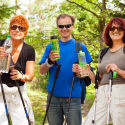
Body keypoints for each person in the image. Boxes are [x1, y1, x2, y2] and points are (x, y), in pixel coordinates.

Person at [39, 13, 93, 125]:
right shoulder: (51, 47)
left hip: (73, 97)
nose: (64, 29)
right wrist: (49, 61)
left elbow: (86, 74)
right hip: (52, 97)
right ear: (57, 27)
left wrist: (80, 72)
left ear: (73, 26)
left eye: (67, 25)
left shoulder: (80, 47)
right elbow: (41, 71)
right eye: (61, 26)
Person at [83, 17, 125, 125]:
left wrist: (119, 71)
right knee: (90, 122)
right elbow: (98, 81)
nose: (116, 30)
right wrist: (88, 71)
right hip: (102, 93)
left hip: (120, 92)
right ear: (108, 32)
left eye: (120, 28)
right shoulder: (104, 52)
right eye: (112, 28)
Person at [0, 15, 35, 125]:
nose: (17, 30)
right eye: (14, 27)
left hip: (18, 93)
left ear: (25, 32)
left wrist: (21, 76)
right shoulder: (1, 44)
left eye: (21, 28)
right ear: (9, 29)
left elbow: (30, 76)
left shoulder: (29, 49)